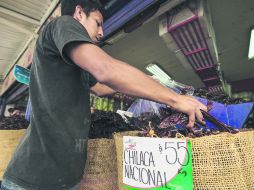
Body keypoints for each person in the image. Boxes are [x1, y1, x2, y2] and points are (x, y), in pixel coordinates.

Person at [1, 0, 207, 189]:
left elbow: (99, 86)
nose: (102, 32)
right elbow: (105, 70)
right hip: (33, 180)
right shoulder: (62, 23)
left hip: (63, 180)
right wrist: (175, 99)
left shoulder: (75, 63)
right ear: (79, 13)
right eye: (98, 23)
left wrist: (146, 83)